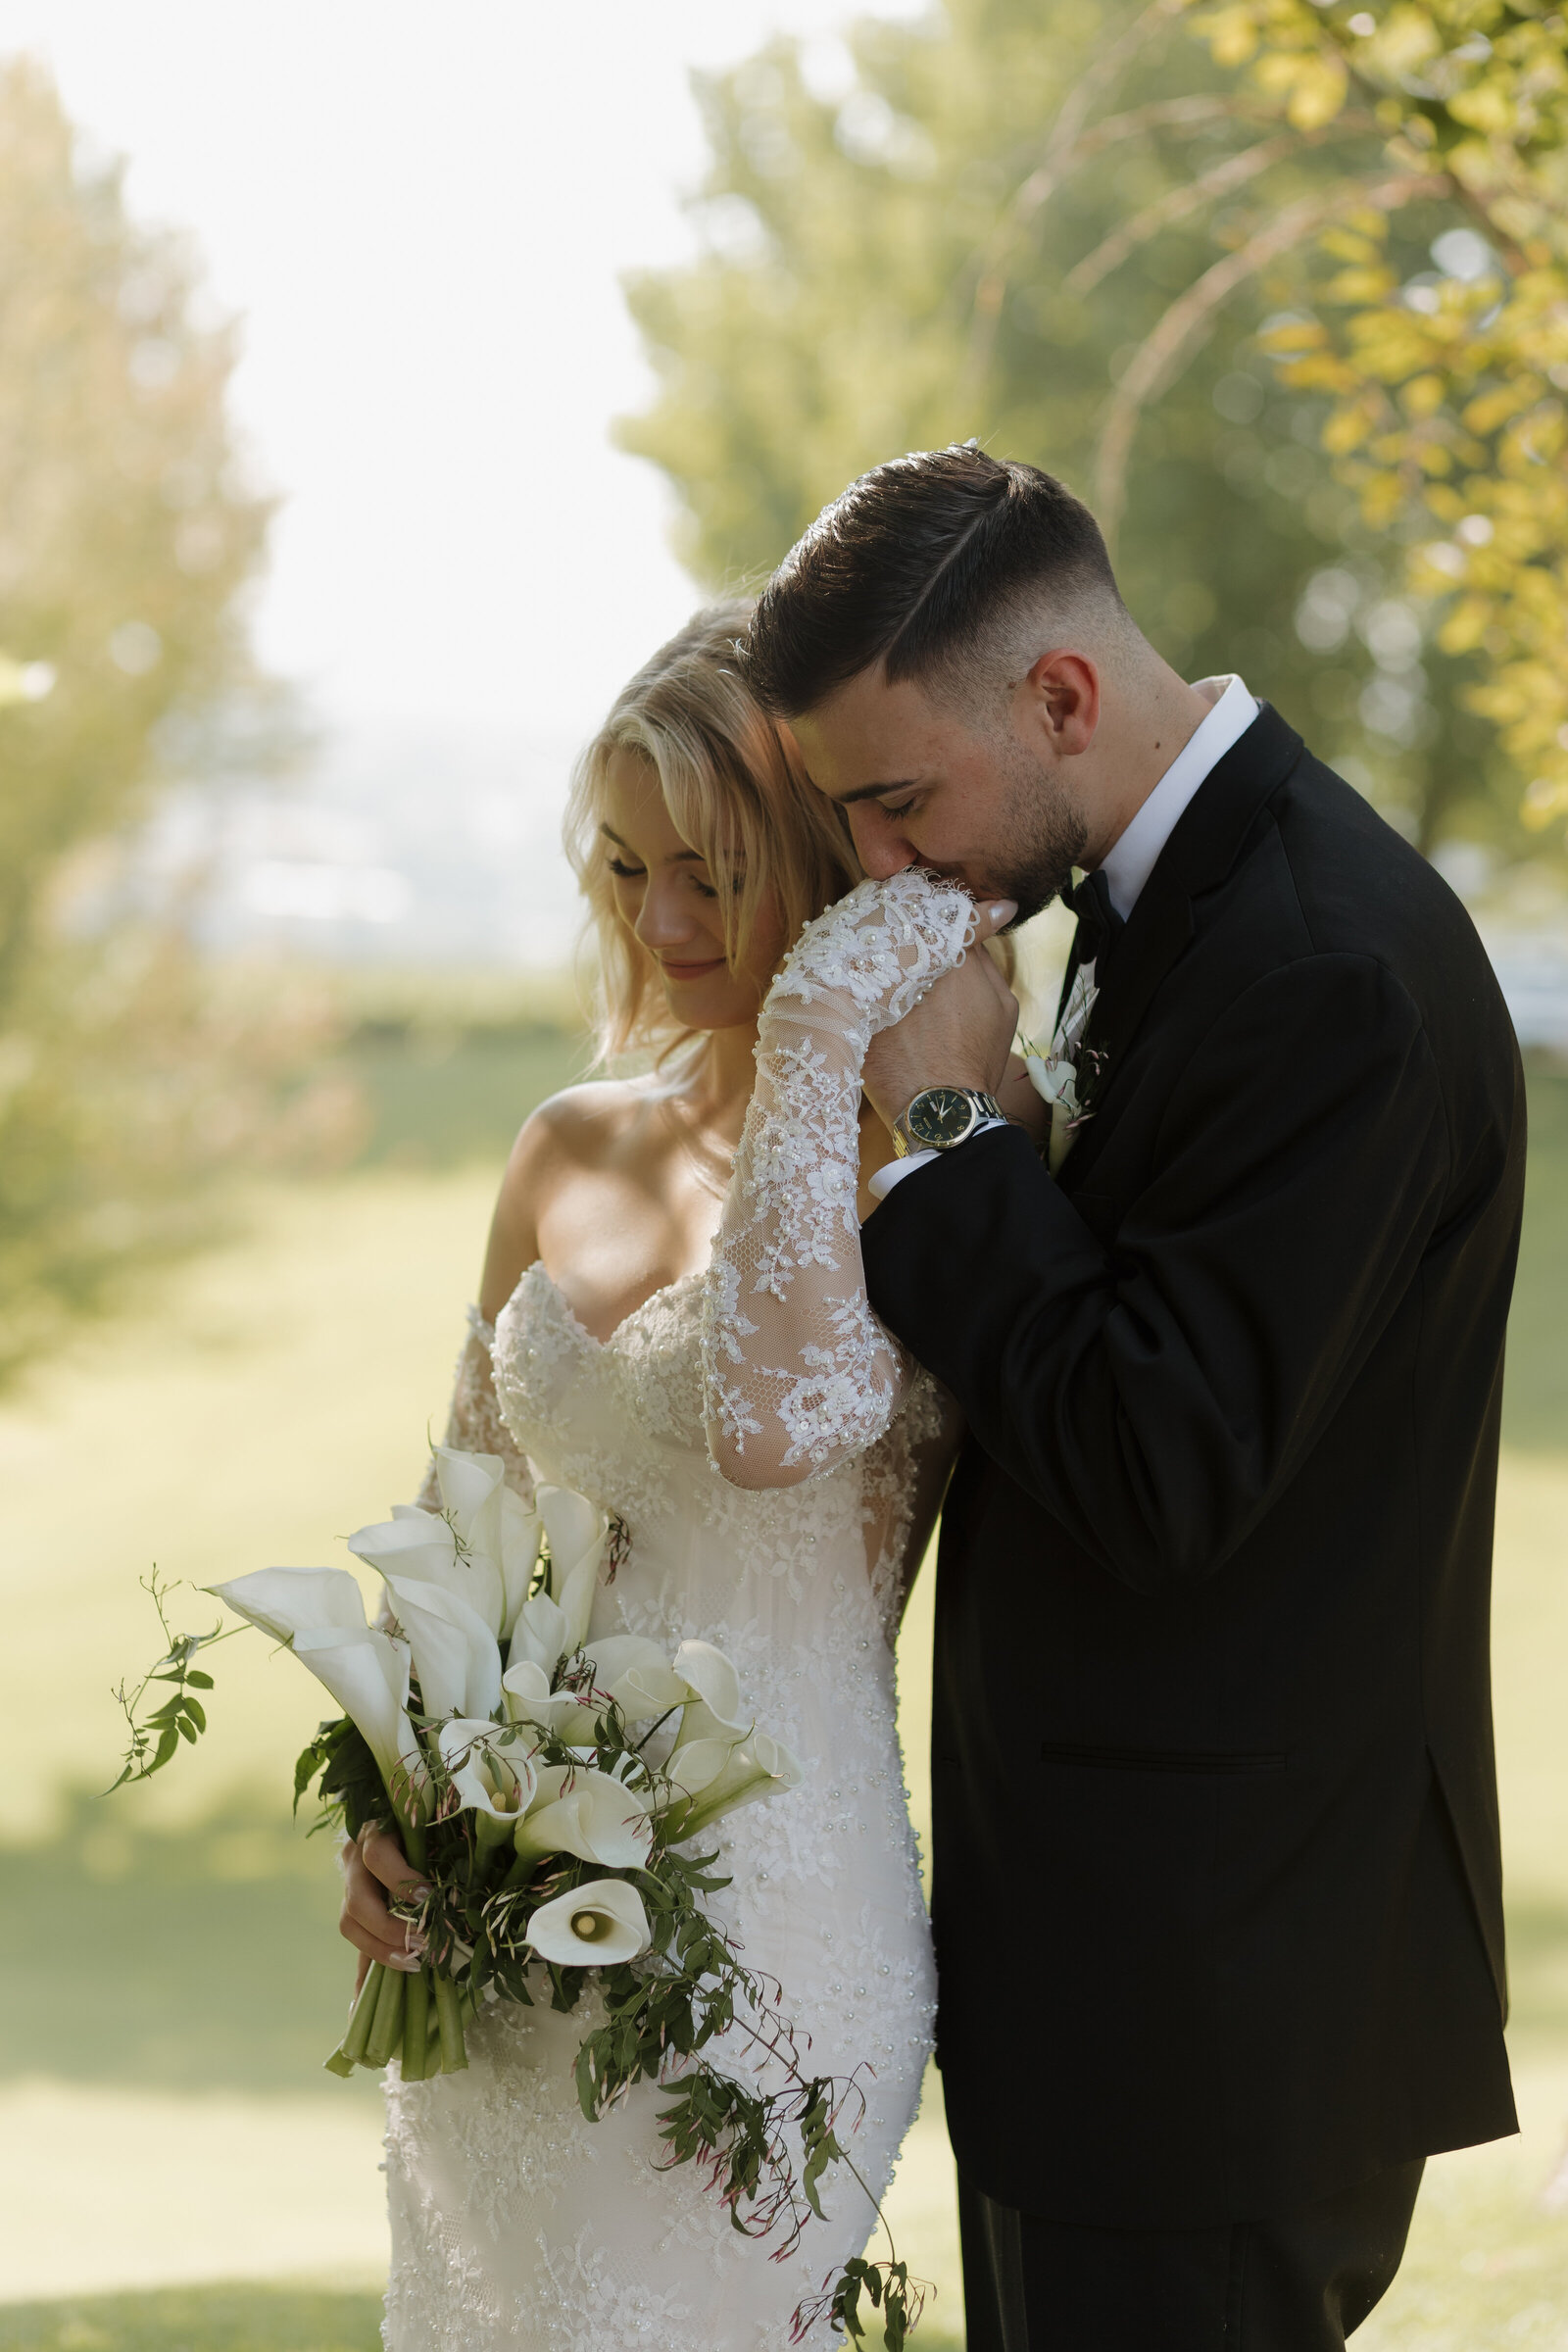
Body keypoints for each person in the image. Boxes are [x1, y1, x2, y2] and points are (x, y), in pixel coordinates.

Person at [724, 444, 1527, 2351]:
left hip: (1221, 1999)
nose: (882, 868)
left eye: (898, 801)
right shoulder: (1185, 912)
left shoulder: (1320, 968)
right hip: (1128, 1988)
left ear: (1059, 696)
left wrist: (940, 1132)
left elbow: (1158, 1463)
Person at [337, 605, 1037, 2351]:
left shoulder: (960, 1140)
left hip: (775, 1931)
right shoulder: (568, 1147)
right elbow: (461, 1538)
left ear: (821, 864)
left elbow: (772, 1416)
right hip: (504, 1947)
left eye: (711, 873)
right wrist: (390, 1801)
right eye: (630, 868)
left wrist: (825, 1041)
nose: (660, 923)